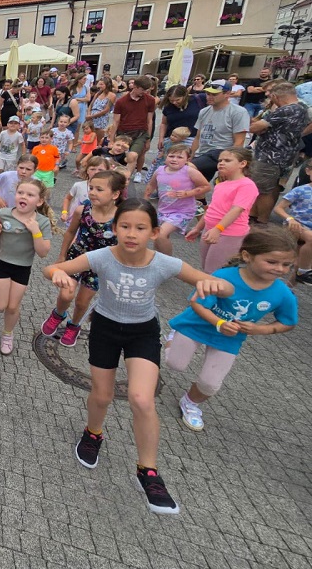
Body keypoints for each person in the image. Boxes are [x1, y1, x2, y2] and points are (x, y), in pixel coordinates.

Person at [45, 199, 233, 515]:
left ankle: (148, 472)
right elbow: (53, 267)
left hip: (143, 332)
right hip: (105, 328)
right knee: (102, 395)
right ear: (114, 229)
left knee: (142, 399)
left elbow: (224, 287)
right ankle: (93, 434)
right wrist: (58, 276)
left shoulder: (163, 263)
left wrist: (217, 284)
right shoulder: (102, 256)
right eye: (125, 226)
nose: (132, 234)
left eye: (141, 228)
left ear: (154, 232)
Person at [166, 227, 298, 431]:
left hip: (229, 339)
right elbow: (197, 303)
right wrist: (219, 323)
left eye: (286, 265)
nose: (279, 269)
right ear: (247, 256)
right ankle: (173, 336)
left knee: (210, 384)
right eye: (272, 262)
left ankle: (191, 403)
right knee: (175, 364)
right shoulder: (224, 276)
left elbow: (288, 322)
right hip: (195, 326)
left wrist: (259, 329)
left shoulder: (282, 292)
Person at [42, 170, 125, 347]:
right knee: (66, 294)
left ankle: (74, 325)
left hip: (99, 266)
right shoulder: (83, 209)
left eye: (99, 189)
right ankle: (58, 314)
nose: (93, 192)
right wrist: (62, 255)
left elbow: (123, 245)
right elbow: (71, 232)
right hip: (76, 257)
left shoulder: (121, 217)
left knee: (82, 302)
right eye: (91, 187)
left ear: (115, 194)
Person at [0, 179, 53, 355]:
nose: (23, 197)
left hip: (22, 266)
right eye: (20, 193)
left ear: (39, 201)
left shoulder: (42, 221)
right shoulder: (4, 213)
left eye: (30, 195)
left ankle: (7, 333)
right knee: (0, 306)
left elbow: (43, 252)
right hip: (0, 261)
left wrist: (35, 230)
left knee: (13, 306)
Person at [186, 147, 258, 272]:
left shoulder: (247, 185)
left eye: (227, 160)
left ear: (243, 163)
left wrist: (218, 229)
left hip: (229, 233)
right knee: (206, 267)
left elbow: (236, 210)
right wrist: (198, 227)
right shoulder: (222, 184)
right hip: (211, 230)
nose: (221, 163)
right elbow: (212, 208)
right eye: (220, 160)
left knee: (215, 271)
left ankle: (212, 291)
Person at [248, 82, 306, 222]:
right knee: (271, 187)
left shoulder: (285, 110)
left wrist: (257, 124)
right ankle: (256, 216)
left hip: (270, 156)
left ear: (276, 96)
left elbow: (255, 127)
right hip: (286, 154)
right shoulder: (302, 109)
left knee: (262, 190)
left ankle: (261, 219)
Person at [144, 144, 211, 256]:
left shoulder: (189, 171)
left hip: (183, 211)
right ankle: (158, 260)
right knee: (157, 236)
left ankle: (169, 263)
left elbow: (206, 186)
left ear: (187, 159)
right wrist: (145, 202)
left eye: (180, 157)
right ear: (166, 156)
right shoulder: (160, 170)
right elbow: (150, 186)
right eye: (171, 156)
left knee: (161, 234)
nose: (174, 159)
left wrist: (188, 193)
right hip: (163, 210)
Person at [190, 84, 250, 182]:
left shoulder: (238, 112)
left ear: (227, 94)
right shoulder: (204, 111)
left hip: (222, 151)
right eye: (208, 93)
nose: (209, 96)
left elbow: (239, 141)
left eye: (214, 94)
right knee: (197, 185)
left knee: (188, 169)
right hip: (203, 152)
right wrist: (190, 156)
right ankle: (199, 197)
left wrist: (229, 163)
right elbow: (198, 137)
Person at [108, 77, 155, 183]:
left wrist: (148, 139)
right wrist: (111, 139)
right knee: (120, 155)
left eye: (146, 90)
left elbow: (149, 121)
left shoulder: (150, 100)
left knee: (134, 155)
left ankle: (129, 177)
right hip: (124, 133)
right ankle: (120, 175)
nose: (145, 93)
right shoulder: (121, 101)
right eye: (142, 90)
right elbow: (115, 122)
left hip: (141, 133)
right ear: (135, 87)